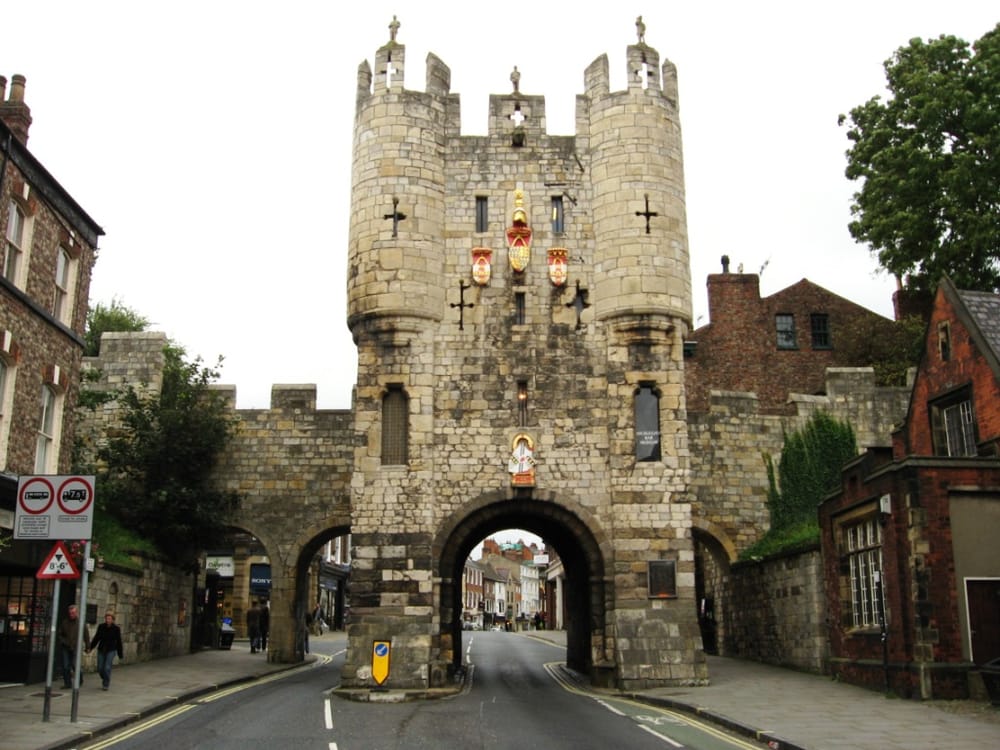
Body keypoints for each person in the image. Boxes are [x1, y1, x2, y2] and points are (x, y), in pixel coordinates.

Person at [87, 611, 124, 690]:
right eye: (107, 618)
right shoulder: (101, 627)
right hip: (102, 649)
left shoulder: (116, 629)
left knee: (107, 667)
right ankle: (105, 677)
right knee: (100, 668)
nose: (108, 620)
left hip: (111, 649)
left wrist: (120, 654)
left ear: (113, 620)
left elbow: (119, 641)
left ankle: (106, 683)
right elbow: (97, 638)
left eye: (110, 619)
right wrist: (90, 647)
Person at [58, 604, 90, 689]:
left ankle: (79, 679)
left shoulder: (81, 623)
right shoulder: (65, 622)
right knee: (65, 666)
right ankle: (67, 683)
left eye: (73, 613)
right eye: (70, 613)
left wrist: (87, 647)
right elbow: (60, 634)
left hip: (76, 647)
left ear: (76, 613)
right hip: (66, 646)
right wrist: (63, 641)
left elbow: (86, 636)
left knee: (75, 664)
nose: (71, 614)